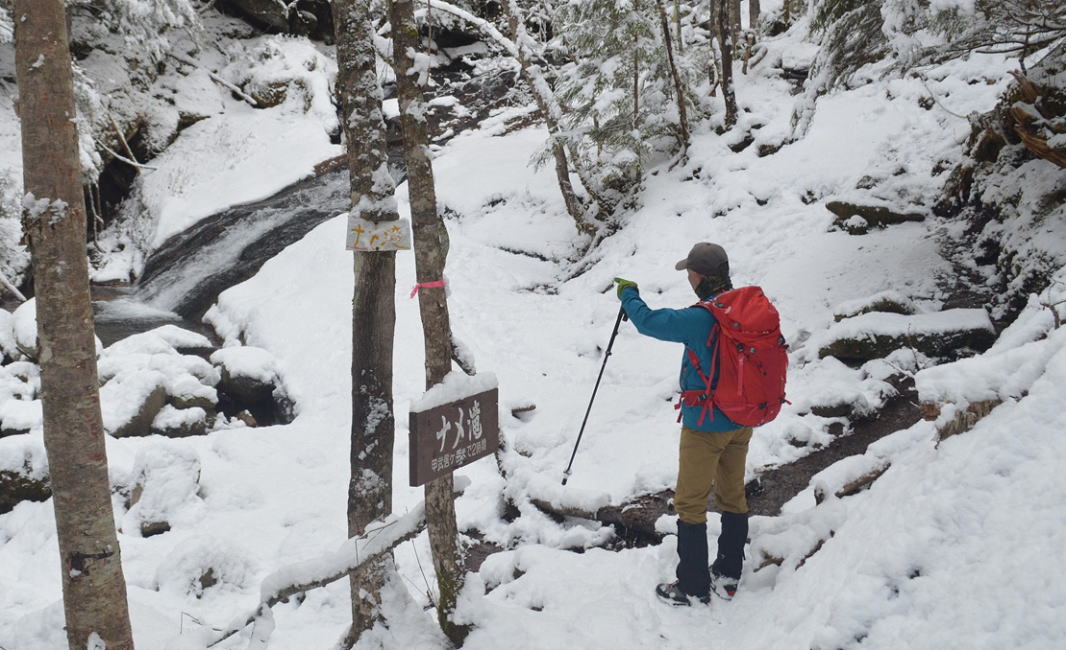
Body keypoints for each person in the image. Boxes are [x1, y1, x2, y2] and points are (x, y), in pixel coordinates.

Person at [614, 242, 752, 606]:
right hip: (742, 419)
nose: (688, 277)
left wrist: (628, 295)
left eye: (690, 272)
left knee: (690, 503)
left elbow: (649, 322)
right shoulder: (743, 307)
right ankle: (729, 573)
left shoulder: (702, 317)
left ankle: (692, 585)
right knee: (732, 495)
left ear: (701, 275)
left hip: (706, 425)